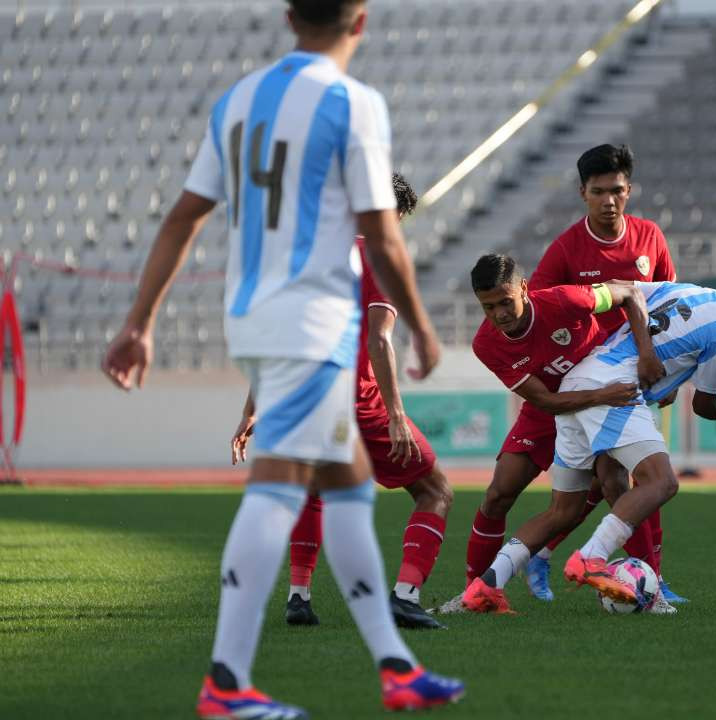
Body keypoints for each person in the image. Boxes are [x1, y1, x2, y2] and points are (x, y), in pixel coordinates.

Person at [101, 2, 463, 717]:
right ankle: (226, 684)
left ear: (290, 15)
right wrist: (422, 327)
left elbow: (182, 217)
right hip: (311, 324)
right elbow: (383, 236)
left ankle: (395, 666)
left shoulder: (238, 101)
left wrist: (139, 321)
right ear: (360, 21)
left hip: (260, 317)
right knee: (277, 491)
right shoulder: (352, 103)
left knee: (348, 489)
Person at [231, 174, 450, 631]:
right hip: (357, 397)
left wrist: (253, 406)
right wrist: (395, 414)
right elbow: (378, 340)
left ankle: (299, 596)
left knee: (312, 490)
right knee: (434, 491)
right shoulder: (384, 258)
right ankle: (405, 596)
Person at [555, 272, 716, 602]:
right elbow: (702, 404)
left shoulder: (688, 291)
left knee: (587, 496)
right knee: (662, 483)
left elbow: (627, 291)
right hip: (615, 388)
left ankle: (491, 581)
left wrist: (650, 354)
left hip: (583, 375)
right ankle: (590, 557)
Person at [457, 254, 665, 614]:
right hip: (552, 406)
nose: (499, 314)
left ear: (524, 288)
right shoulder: (486, 343)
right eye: (488, 307)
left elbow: (630, 293)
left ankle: (654, 589)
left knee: (615, 484)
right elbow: (545, 400)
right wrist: (603, 395)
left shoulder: (565, 299)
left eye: (505, 302)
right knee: (497, 494)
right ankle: (474, 593)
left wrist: (646, 354)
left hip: (597, 393)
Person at [524, 143, 685, 604]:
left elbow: (666, 302)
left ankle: (552, 555)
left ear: (629, 190)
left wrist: (666, 371)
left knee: (618, 483)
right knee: (635, 481)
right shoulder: (568, 248)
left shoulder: (650, 237)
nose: (609, 200)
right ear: (583, 193)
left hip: (637, 376)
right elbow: (537, 305)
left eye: (617, 190)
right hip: (589, 382)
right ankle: (647, 580)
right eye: (599, 191)